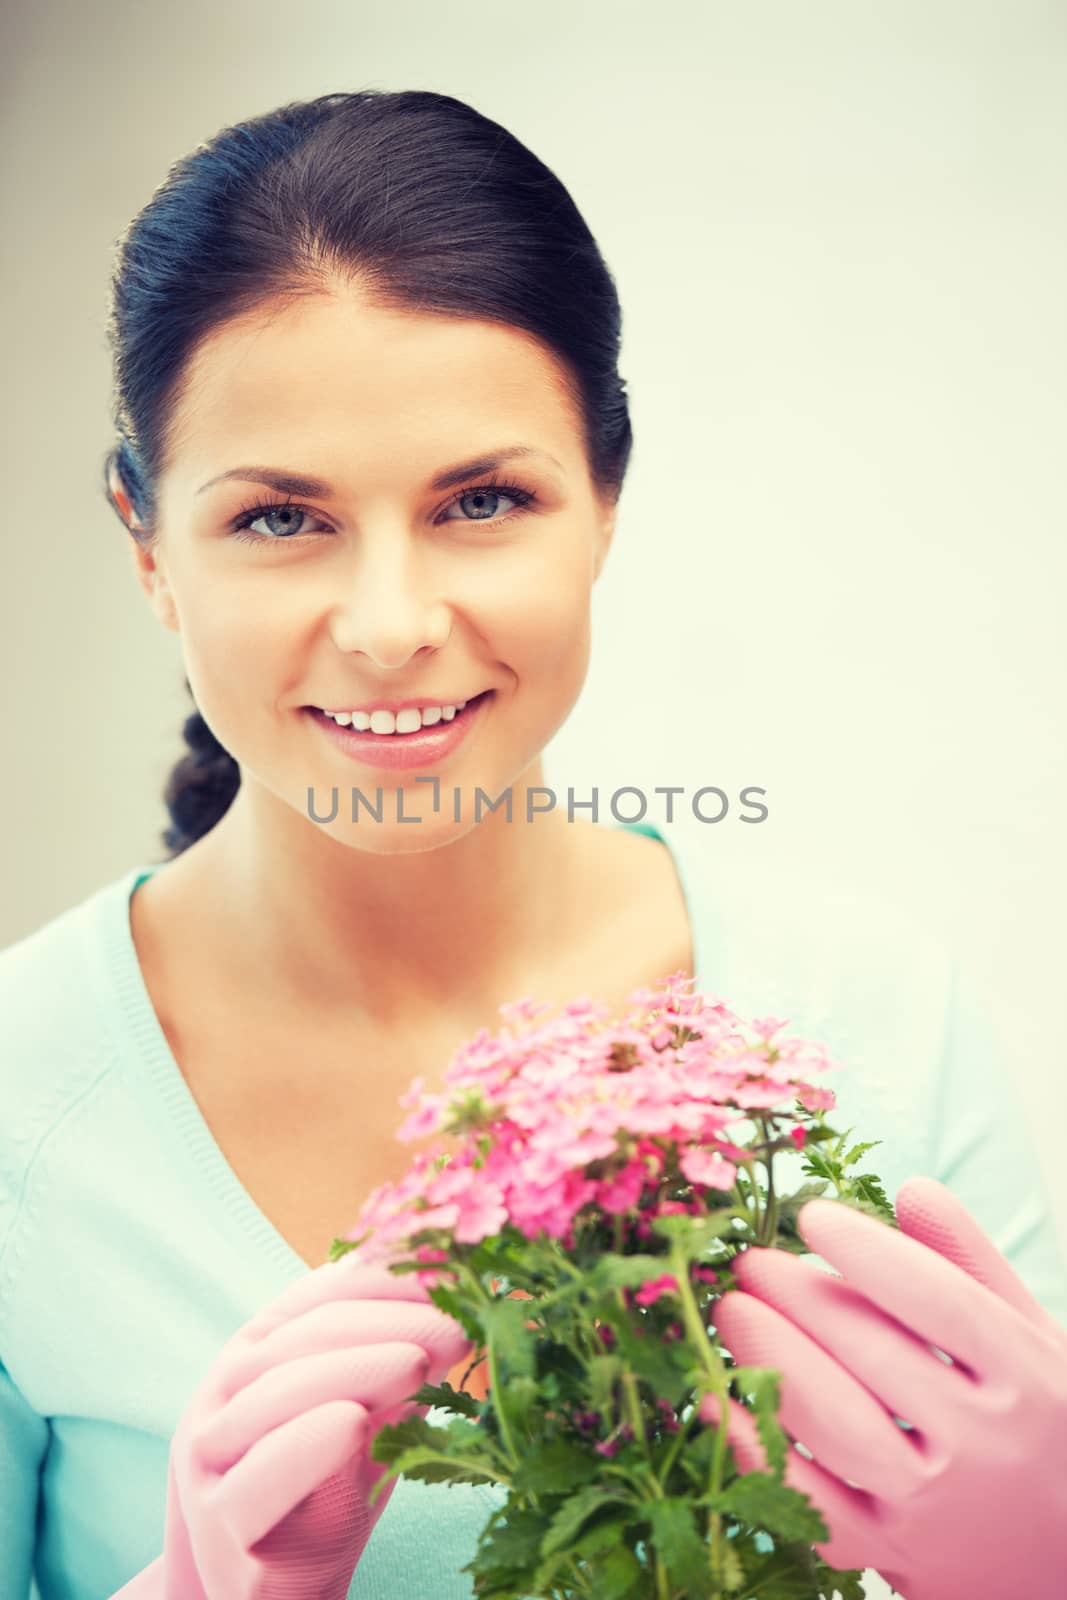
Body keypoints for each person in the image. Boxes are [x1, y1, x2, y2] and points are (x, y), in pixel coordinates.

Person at [0, 86, 1064, 1600]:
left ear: (606, 506)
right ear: (145, 543)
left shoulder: (880, 1022)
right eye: (278, 520)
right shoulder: (16, 1104)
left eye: (483, 500)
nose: (389, 627)